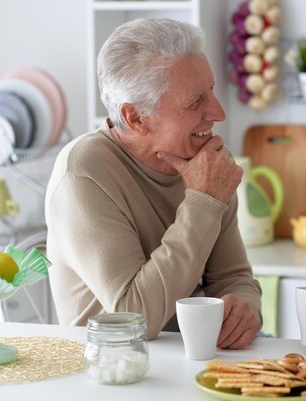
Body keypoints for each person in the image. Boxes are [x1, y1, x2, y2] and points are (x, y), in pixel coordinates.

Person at [45, 18, 262, 347]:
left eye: (212, 90)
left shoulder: (208, 162)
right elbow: (133, 318)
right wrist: (203, 201)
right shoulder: (83, 172)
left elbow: (233, 277)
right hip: (109, 369)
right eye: (194, 102)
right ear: (135, 117)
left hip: (197, 359)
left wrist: (246, 311)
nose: (218, 113)